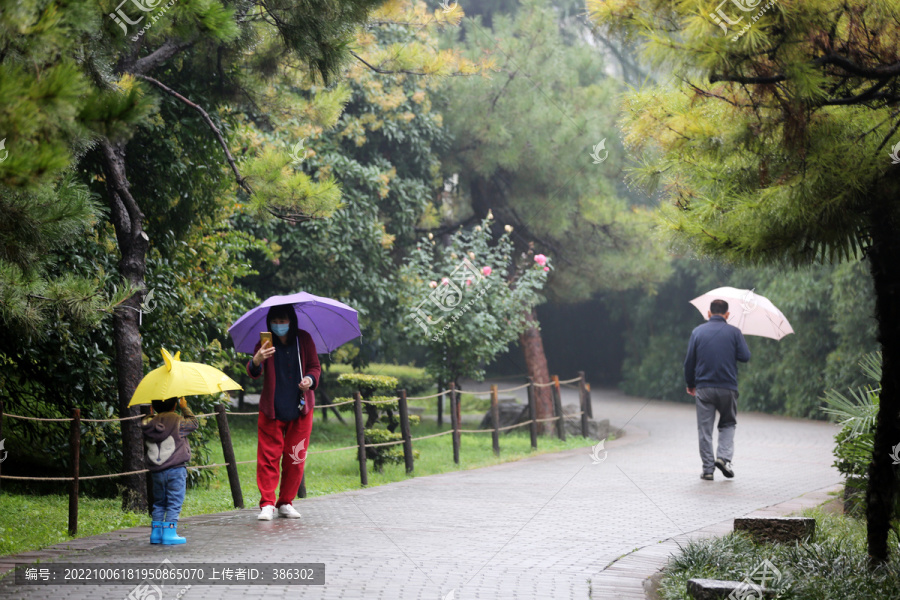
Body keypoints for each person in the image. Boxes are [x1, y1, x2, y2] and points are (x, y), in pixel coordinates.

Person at [247, 304, 321, 521]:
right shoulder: (264, 344)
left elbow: (315, 367)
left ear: (292, 321)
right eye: (275, 322)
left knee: (295, 458)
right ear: (269, 323)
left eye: (283, 321)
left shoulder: (304, 339)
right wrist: (257, 359)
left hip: (300, 409)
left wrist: (310, 379)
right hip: (272, 410)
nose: (279, 326)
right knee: (268, 458)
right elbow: (253, 372)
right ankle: (267, 504)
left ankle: (286, 502)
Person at [684, 299, 751, 481]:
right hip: (727, 388)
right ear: (727, 315)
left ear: (708, 313)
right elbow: (745, 357)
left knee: (705, 430)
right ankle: (723, 458)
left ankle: (707, 470)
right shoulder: (734, 332)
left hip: (704, 388)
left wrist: (691, 384)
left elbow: (689, 362)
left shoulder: (697, 332)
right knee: (728, 423)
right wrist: (735, 340)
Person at [142, 396, 199, 544]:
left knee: (159, 502)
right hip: (175, 469)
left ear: (153, 407)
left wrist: (150, 413)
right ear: (174, 405)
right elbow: (193, 423)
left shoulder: (149, 423)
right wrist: (185, 407)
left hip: (156, 472)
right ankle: (169, 533)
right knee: (174, 502)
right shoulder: (178, 421)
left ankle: (156, 533)